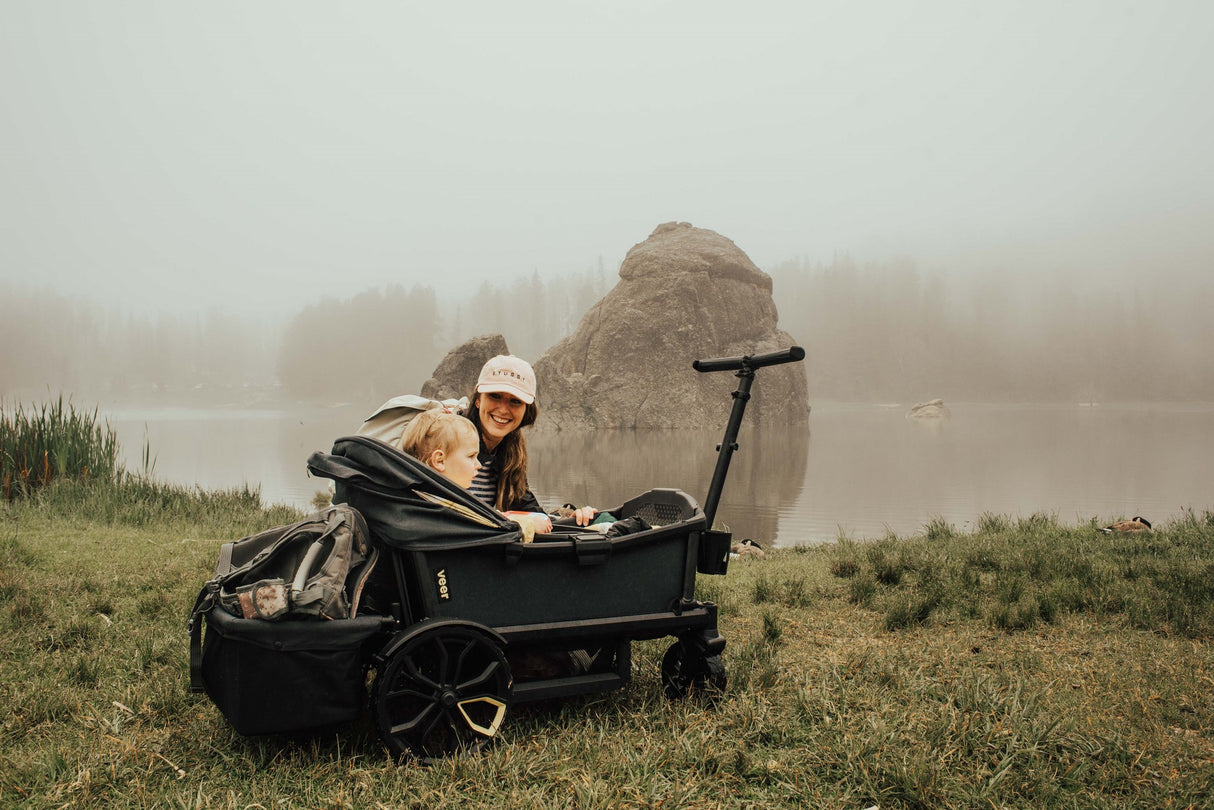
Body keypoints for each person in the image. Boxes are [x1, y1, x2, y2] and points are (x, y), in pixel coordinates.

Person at [464, 355, 596, 526]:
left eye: (515, 401)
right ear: (478, 399)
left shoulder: (510, 450)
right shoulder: (445, 437)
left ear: (527, 409)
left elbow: (526, 508)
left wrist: (575, 517)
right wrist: (509, 519)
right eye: (495, 396)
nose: (503, 409)